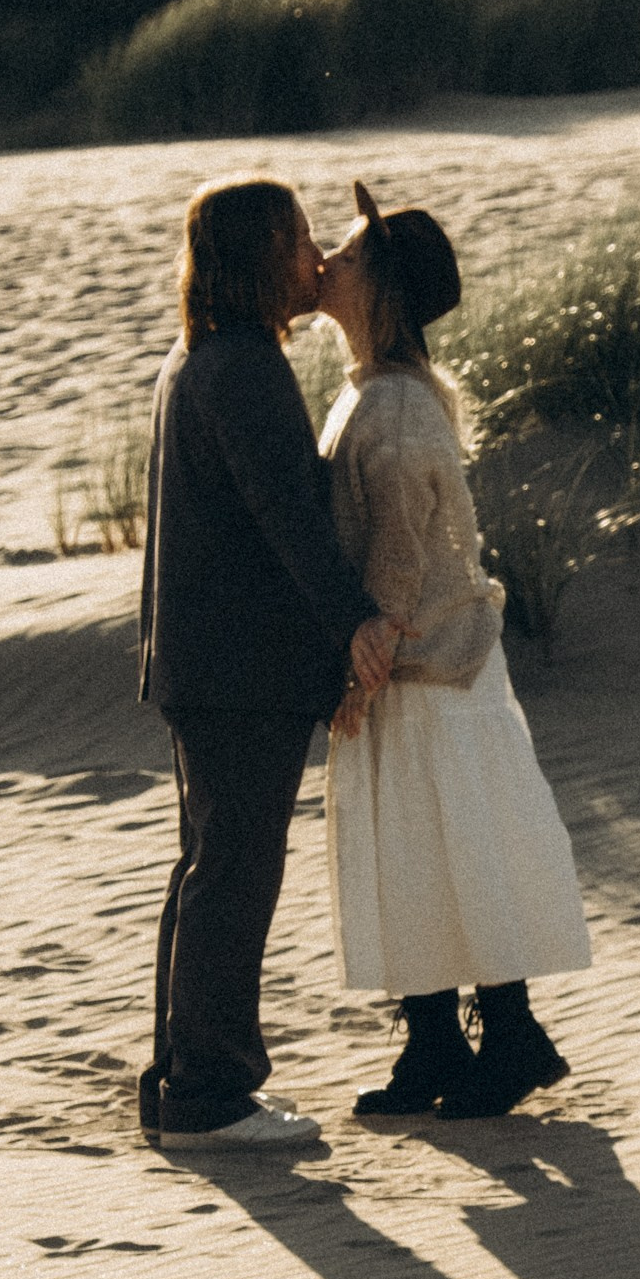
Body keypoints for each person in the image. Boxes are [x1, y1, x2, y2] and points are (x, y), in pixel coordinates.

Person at [315, 185, 591, 1119]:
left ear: (381, 289)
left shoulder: (393, 405)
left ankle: (510, 1035)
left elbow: (399, 534)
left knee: (451, 840)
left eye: (348, 255)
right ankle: (433, 1039)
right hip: (415, 662)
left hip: (430, 662)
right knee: (409, 848)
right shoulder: (375, 390)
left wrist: (373, 650)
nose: (328, 262)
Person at [138, 176, 398, 1149]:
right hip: (236, 672)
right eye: (295, 239)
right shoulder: (239, 366)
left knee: (209, 867)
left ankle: (181, 1081)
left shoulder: (201, 355)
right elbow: (287, 517)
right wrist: (355, 622)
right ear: (256, 257)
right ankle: (208, 1094)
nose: (314, 255)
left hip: (205, 667)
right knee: (232, 874)